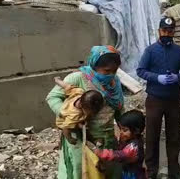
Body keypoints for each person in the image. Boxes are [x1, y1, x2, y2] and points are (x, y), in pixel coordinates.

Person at [46, 45, 124, 179]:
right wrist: (70, 116)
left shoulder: (114, 82)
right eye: (107, 71)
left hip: (107, 137)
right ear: (94, 66)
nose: (111, 74)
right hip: (80, 138)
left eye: (114, 71)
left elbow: (119, 107)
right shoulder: (78, 78)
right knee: (82, 171)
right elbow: (52, 97)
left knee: (107, 171)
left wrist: (123, 126)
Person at [137, 16, 180, 179]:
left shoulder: (179, 51)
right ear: (159, 31)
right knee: (152, 135)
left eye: (170, 31)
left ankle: (174, 170)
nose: (167, 33)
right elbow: (140, 70)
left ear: (174, 32)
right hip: (154, 99)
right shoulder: (150, 50)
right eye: (164, 30)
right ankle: (151, 171)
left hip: (173, 99)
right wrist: (156, 77)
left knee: (174, 135)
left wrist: (178, 77)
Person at [94, 110, 146, 179]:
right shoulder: (131, 138)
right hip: (128, 171)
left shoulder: (133, 147)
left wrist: (102, 153)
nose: (121, 132)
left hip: (133, 175)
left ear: (136, 131)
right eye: (120, 129)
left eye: (125, 130)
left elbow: (119, 155)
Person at [54, 76, 104, 145]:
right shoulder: (74, 116)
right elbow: (65, 128)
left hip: (74, 118)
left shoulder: (79, 92)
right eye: (92, 112)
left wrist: (57, 80)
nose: (94, 114)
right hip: (64, 122)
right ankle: (93, 140)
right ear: (83, 107)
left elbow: (66, 86)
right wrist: (70, 139)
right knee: (84, 131)